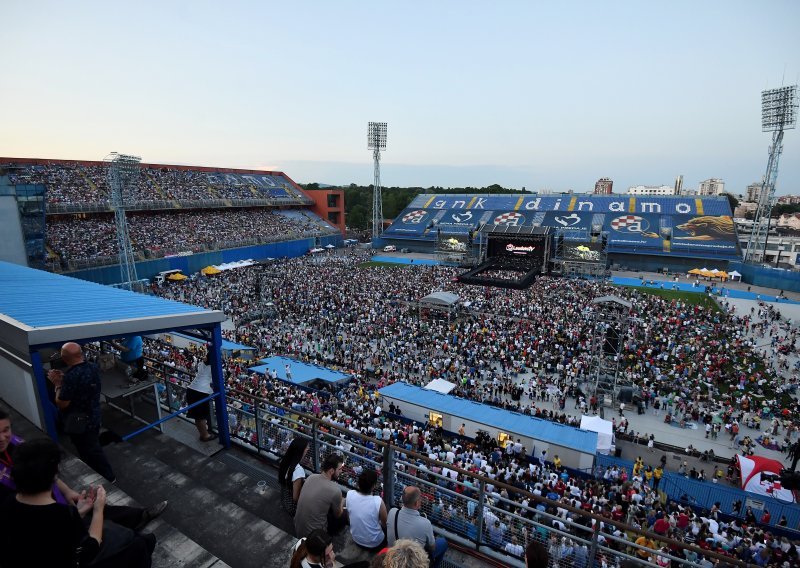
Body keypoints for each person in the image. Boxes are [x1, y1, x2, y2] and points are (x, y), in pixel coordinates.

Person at [0, 408, 167, 531]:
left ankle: (138, 516)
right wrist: (80, 513)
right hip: (38, 522)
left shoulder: (15, 444)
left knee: (95, 505)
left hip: (54, 504)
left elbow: (46, 470)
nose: (2, 438)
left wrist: (67, 492)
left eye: (6, 430)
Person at [0, 438, 156, 568]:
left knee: (133, 538)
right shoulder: (61, 515)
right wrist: (98, 509)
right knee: (138, 546)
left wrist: (79, 512)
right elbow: (90, 549)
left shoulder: (8, 503)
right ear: (53, 475)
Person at [47, 342, 116, 481]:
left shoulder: (71, 377)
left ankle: (108, 477)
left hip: (78, 421)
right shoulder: (93, 367)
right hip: (94, 415)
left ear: (64, 358)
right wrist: (65, 379)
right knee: (92, 446)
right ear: (81, 353)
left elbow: (62, 404)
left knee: (90, 451)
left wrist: (58, 385)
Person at [387, 486, 448, 568]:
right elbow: (432, 548)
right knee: (443, 542)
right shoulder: (425, 523)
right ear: (416, 503)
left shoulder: (392, 512)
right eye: (420, 499)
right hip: (414, 563)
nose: (421, 501)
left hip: (393, 555)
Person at [294, 454, 346, 538]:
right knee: (344, 515)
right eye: (339, 469)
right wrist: (342, 501)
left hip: (298, 529)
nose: (341, 471)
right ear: (332, 471)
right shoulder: (335, 490)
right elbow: (338, 514)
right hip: (314, 537)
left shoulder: (311, 477)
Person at [346, 469, 388, 549]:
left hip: (356, 540)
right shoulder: (378, 501)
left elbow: (349, 518)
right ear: (374, 486)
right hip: (376, 544)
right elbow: (385, 524)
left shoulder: (350, 494)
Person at [186, 351, 216, 442]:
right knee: (201, 417)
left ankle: (203, 434)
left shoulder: (201, 364)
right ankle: (205, 436)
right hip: (201, 392)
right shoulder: (213, 368)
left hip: (191, 389)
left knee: (197, 416)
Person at [278, 437, 309, 516]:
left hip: (284, 499)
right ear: (301, 450)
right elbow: (296, 498)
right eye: (306, 447)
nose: (308, 449)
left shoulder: (285, 461)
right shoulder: (298, 470)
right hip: (292, 508)